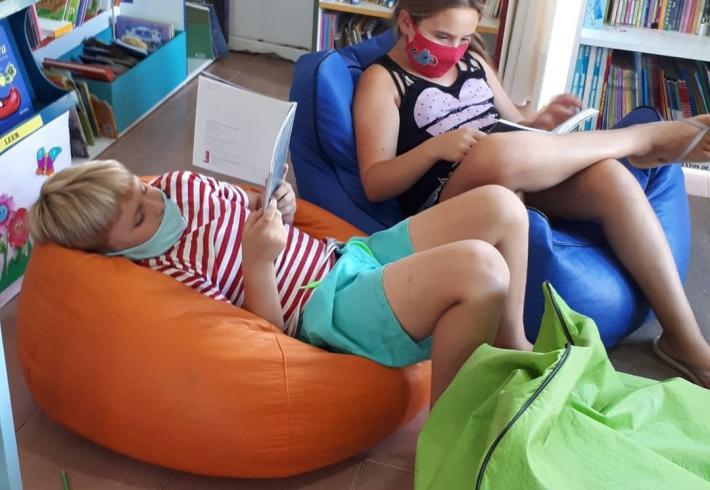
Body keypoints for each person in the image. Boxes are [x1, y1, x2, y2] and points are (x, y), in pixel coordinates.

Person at [352, 0, 710, 388]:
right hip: (449, 201)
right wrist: (434, 149)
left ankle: (684, 340)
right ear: (407, 22)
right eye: (442, 36)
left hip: (508, 173)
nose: (454, 48)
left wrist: (543, 120)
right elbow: (375, 182)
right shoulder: (383, 81)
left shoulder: (473, 63)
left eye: (465, 38)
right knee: (494, 151)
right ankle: (640, 140)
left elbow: (516, 124)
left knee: (611, 178)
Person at [28, 160, 532, 404]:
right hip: (324, 309)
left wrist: (281, 203)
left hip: (346, 256)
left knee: (503, 206)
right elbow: (263, 340)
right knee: (481, 268)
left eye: (142, 190)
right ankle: (448, 435)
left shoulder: (178, 185)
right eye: (139, 217)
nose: (156, 203)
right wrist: (258, 264)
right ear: (112, 252)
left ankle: (514, 346)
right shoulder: (167, 270)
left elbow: (251, 205)